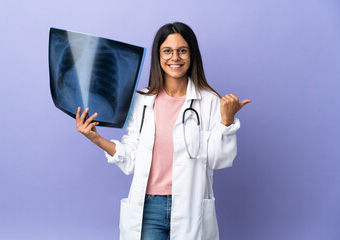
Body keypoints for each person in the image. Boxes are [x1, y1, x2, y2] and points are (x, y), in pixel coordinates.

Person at [76, 22, 251, 240]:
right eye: (167, 51)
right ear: (158, 56)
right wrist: (96, 138)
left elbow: (218, 160)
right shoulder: (141, 101)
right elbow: (131, 159)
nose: (175, 58)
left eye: (182, 51)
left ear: (192, 55)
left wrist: (226, 121)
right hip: (149, 209)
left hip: (190, 205)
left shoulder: (210, 102)